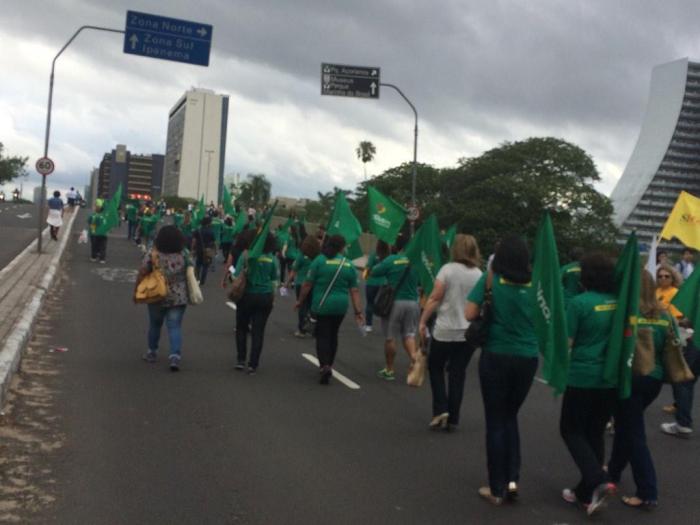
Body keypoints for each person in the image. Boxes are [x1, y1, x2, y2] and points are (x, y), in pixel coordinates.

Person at [466, 236, 538, 506]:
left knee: (496, 421)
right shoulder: (538, 286)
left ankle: (496, 487)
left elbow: (470, 313)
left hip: (496, 354)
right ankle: (512, 479)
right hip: (528, 357)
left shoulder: (490, 281)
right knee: (511, 416)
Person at [607, 269, 672, 510]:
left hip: (630, 377)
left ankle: (647, 491)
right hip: (654, 381)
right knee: (627, 425)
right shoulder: (665, 316)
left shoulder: (625, 314)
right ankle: (613, 471)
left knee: (634, 433)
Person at [559, 252, 618, 516]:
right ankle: (585, 493)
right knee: (594, 431)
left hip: (582, 375)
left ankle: (597, 478)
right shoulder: (620, 302)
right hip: (609, 378)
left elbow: (567, 344)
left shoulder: (580, 303)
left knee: (570, 430)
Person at [419, 234, 482, 431]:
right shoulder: (479, 274)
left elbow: (436, 297)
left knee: (435, 368)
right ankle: (454, 417)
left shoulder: (447, 269)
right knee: (457, 372)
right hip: (468, 332)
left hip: (445, 329)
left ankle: (440, 409)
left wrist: (422, 321)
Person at [297, 234, 363, 384]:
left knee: (322, 335)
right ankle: (330, 364)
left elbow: (307, 284)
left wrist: (300, 301)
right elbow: (354, 291)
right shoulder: (348, 264)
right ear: (341, 248)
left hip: (321, 305)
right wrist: (358, 311)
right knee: (333, 335)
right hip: (340, 307)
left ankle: (324, 365)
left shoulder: (319, 261)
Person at [136, 225, 192, 371]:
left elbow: (143, 269)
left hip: (157, 294)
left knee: (155, 324)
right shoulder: (184, 254)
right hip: (179, 296)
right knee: (174, 326)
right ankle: (174, 356)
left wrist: (138, 289)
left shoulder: (153, 253)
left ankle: (152, 352)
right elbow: (191, 270)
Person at [370, 234, 420, 381]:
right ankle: (414, 358)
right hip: (413, 303)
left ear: (397, 246)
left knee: (391, 337)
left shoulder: (391, 260)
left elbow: (374, 272)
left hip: (395, 303)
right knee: (409, 335)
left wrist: (381, 259)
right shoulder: (417, 262)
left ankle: (390, 369)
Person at [232, 232, 278, 374]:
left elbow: (235, 275)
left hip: (246, 296)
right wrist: (273, 299)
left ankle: (241, 360)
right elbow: (274, 281)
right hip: (265, 297)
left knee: (241, 328)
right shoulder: (272, 259)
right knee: (258, 331)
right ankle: (253, 364)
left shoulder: (246, 255)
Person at [286, 235, 321, 338]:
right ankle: (312, 327)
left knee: (302, 305)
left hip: (301, 283)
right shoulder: (318, 257)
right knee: (311, 306)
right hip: (313, 284)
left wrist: (287, 282)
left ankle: (301, 329)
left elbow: (294, 270)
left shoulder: (301, 255)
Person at [364, 240, 390, 333]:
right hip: (384, 283)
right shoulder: (389, 256)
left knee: (369, 303)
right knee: (385, 305)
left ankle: (368, 325)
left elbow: (368, 267)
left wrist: (365, 276)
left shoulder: (373, 254)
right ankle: (386, 326)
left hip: (372, 282)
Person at [192, 216, 216, 286]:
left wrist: (192, 249)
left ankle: (197, 278)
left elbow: (194, 241)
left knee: (198, 264)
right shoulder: (211, 231)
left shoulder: (198, 230)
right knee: (205, 266)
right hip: (208, 250)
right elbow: (214, 242)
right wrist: (215, 250)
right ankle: (202, 281)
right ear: (208, 223)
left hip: (199, 249)